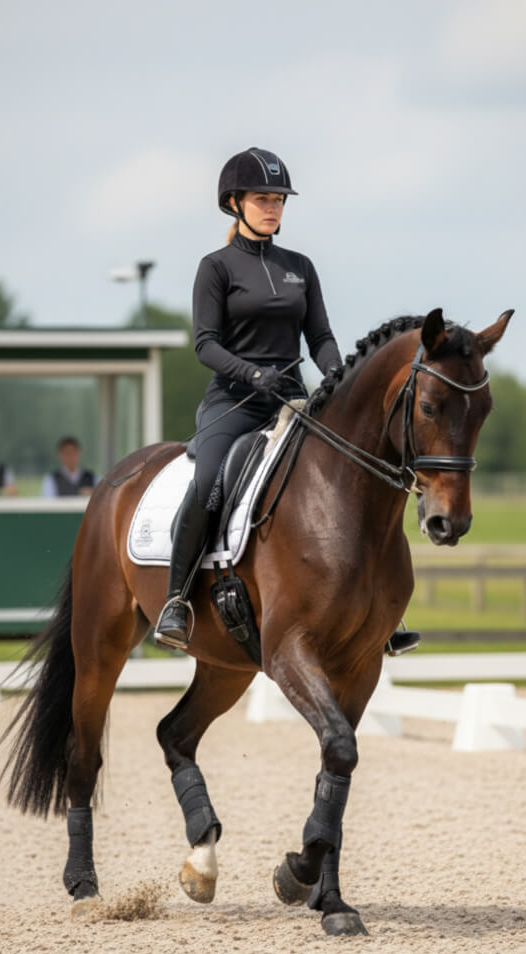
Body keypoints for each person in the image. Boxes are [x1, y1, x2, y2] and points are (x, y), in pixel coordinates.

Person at [154, 146, 342, 649]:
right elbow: (205, 345)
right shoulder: (216, 268)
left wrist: (337, 374)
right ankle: (176, 599)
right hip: (234, 402)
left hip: (294, 402)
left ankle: (378, 606)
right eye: (263, 198)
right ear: (234, 202)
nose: (274, 207)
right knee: (211, 479)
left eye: (279, 199)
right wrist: (254, 375)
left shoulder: (300, 266)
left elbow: (319, 337)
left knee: (351, 473)